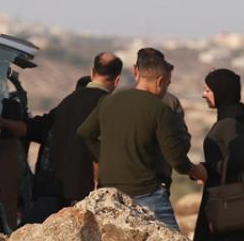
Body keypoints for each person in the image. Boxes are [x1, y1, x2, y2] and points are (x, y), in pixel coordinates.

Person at [78, 54, 206, 229]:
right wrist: (195, 170)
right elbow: (176, 159)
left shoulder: (109, 101)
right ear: (160, 81)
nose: (166, 90)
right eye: (167, 84)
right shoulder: (160, 109)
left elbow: (85, 133)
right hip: (146, 192)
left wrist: (103, 157)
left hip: (110, 192)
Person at [24, 53, 123, 221]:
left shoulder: (68, 101)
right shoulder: (109, 106)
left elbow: (38, 129)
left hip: (53, 190)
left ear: (92, 72)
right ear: (117, 80)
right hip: (85, 196)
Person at [194, 68, 244, 241]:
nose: (204, 94)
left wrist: (207, 169)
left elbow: (237, 161)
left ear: (221, 92)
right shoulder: (237, 119)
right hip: (235, 201)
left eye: (208, 90)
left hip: (227, 204)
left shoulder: (229, 124)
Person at [135, 48, 192, 203]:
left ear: (136, 70)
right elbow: (183, 142)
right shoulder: (170, 102)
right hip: (158, 180)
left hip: (124, 181)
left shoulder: (118, 99)